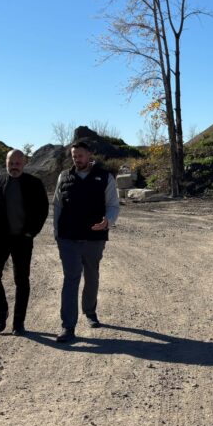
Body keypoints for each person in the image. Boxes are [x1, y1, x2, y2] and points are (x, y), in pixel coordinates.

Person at [53, 139, 120, 343]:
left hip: (94, 238)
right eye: (74, 156)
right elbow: (57, 205)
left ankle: (90, 312)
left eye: (80, 155)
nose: (77, 159)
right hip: (68, 239)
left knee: (91, 276)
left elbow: (113, 205)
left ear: (90, 155)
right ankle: (68, 326)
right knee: (71, 279)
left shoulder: (105, 177)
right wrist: (56, 232)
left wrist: (108, 220)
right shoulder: (64, 177)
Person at [0, 149, 49, 336]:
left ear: (24, 163)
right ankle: (1, 310)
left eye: (18, 163)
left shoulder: (34, 183)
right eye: (11, 163)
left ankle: (19, 322)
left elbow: (43, 209)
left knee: (21, 281)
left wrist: (31, 232)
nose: (14, 166)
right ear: (6, 162)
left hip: (23, 240)